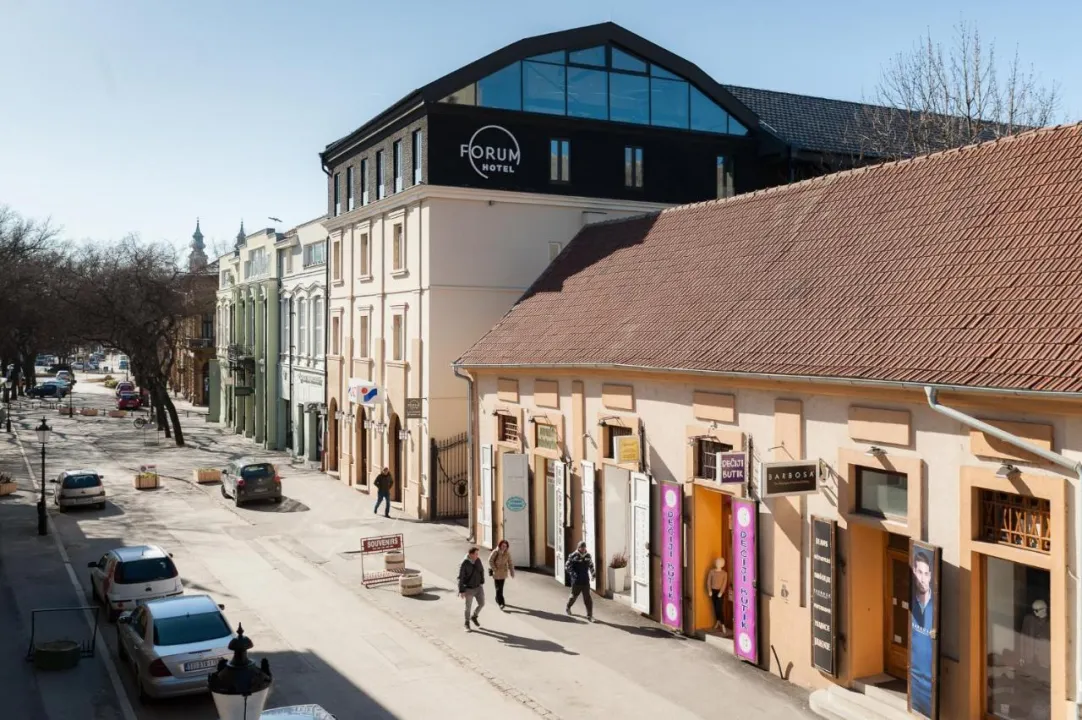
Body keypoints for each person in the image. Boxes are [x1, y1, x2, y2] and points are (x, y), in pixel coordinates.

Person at [909, 547, 935, 718]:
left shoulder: (936, 605)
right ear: (914, 572)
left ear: (931, 576)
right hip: (914, 684)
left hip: (930, 687)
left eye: (926, 574)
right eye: (919, 572)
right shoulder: (911, 600)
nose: (923, 579)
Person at [565, 540, 596, 622]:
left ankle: (590, 615)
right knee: (573, 597)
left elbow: (591, 565)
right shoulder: (573, 556)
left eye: (584, 547)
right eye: (581, 548)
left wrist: (593, 574)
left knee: (587, 599)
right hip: (576, 581)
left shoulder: (588, 556)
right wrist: (573, 574)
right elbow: (567, 566)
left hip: (585, 580)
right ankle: (568, 607)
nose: (583, 549)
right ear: (578, 548)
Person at [458, 546, 486, 631]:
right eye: (476, 554)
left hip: (478, 587)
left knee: (482, 603)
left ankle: (474, 616)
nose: (477, 556)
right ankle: (467, 623)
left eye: (477, 554)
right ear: (470, 554)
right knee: (468, 607)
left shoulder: (478, 560)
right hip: (469, 589)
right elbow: (461, 578)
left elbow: (481, 570)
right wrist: (462, 590)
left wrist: (482, 581)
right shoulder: (464, 563)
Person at [488, 540, 515, 610]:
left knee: (501, 588)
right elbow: (490, 560)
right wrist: (495, 569)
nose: (504, 547)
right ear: (500, 545)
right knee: (498, 588)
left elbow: (510, 563)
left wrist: (512, 572)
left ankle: (497, 598)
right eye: (503, 546)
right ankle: (501, 603)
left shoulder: (507, 553)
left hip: (503, 573)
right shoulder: (495, 552)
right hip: (496, 573)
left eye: (505, 546)